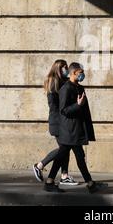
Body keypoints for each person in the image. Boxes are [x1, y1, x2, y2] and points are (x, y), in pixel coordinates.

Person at [45, 62, 107, 193]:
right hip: (69, 130)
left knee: (67, 156)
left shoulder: (79, 87)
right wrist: (78, 105)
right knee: (78, 157)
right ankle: (90, 184)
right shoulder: (66, 89)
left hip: (76, 129)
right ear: (73, 73)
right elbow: (63, 110)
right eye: (80, 73)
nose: (82, 75)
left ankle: (50, 182)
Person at [32, 59, 78, 192]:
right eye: (64, 68)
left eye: (67, 67)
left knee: (65, 147)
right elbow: (54, 106)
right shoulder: (53, 84)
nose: (66, 70)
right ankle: (40, 165)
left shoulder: (62, 83)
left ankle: (64, 176)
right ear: (58, 68)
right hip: (58, 122)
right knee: (64, 148)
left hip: (62, 121)